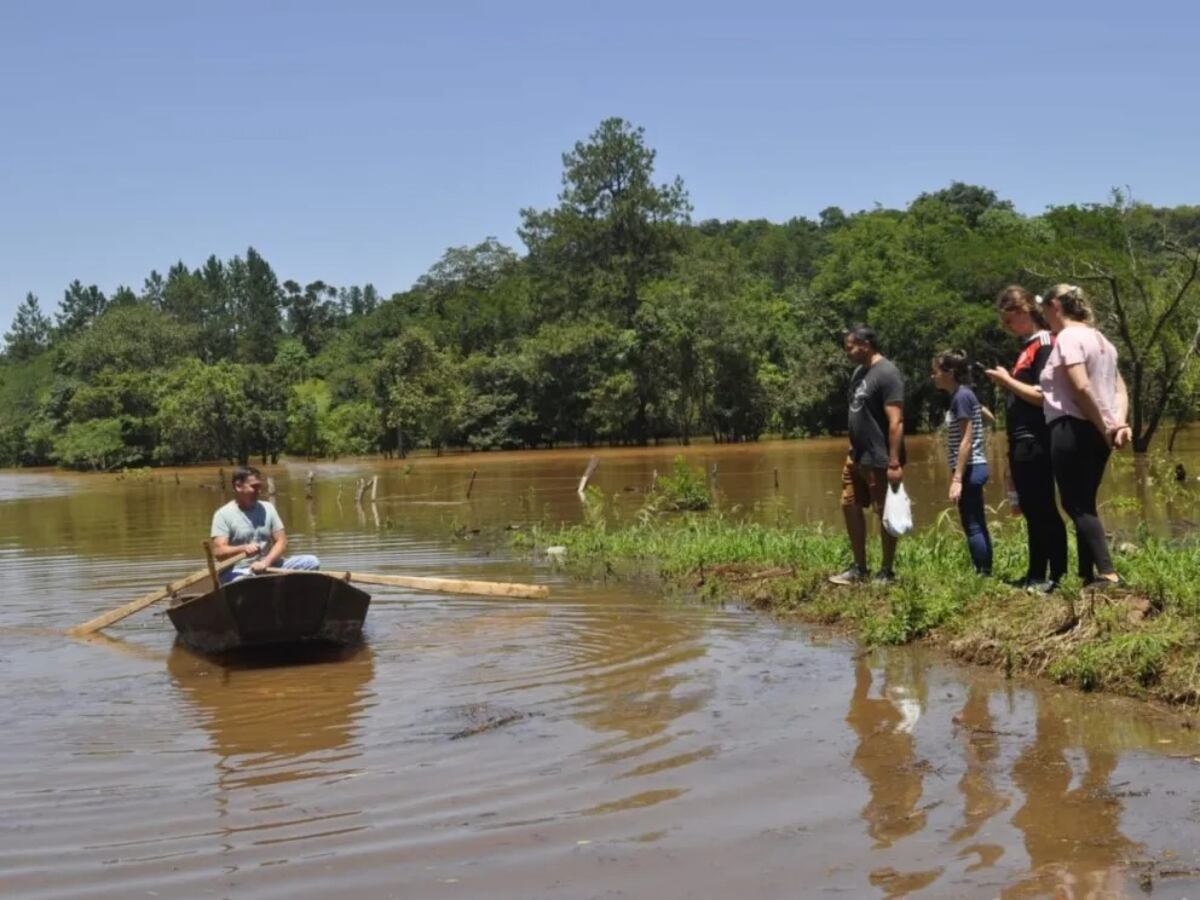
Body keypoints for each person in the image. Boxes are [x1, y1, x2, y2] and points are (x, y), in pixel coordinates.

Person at [1037, 284, 1132, 589]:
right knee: (1085, 503)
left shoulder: (1067, 337)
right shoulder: (1101, 340)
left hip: (1071, 427)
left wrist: (1106, 424)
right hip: (1098, 431)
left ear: (1055, 305)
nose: (1043, 316)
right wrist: (1117, 424)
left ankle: (1107, 573)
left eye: (1044, 309)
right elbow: (1119, 389)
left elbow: (1080, 386)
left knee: (1075, 504)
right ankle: (1086, 574)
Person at [984, 286, 1068, 593]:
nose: (1008, 327)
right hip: (1021, 440)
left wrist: (1007, 381)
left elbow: (1044, 396)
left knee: (1043, 507)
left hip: (1037, 438)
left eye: (1010, 320)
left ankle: (1058, 576)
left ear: (1024, 311)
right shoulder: (1027, 347)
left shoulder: (1045, 342)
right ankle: (1035, 573)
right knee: (1032, 509)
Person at [829, 325, 905, 585]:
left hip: (879, 457)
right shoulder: (859, 373)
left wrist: (894, 461)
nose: (847, 352)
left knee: (884, 513)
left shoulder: (887, 373)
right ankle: (860, 568)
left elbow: (896, 421)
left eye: (850, 347)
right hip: (856, 456)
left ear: (866, 344)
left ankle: (886, 571)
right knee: (849, 504)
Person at [930, 350, 992, 575]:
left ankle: (983, 574)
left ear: (950, 372)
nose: (933, 376)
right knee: (977, 523)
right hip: (975, 465)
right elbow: (989, 418)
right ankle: (985, 571)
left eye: (935, 371)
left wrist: (957, 478)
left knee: (973, 525)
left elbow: (966, 439)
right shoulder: (965, 395)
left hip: (970, 468)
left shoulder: (961, 397)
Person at [210, 466, 320, 582]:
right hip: (239, 571)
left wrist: (266, 562)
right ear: (238, 486)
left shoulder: (268, 508)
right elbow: (219, 551)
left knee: (311, 562)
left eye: (260, 486)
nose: (259, 491)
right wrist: (243, 548)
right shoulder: (222, 515)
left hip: (269, 565)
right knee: (241, 581)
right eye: (254, 487)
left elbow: (281, 541)